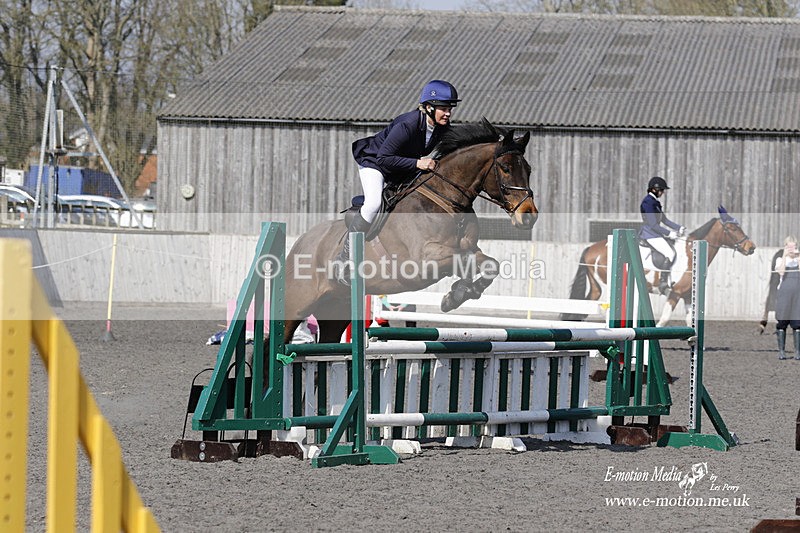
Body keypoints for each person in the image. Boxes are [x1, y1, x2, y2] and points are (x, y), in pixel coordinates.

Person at [334, 79, 460, 285]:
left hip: (401, 166)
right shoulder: (407, 124)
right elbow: (384, 158)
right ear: (428, 107)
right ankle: (344, 258)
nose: (448, 113)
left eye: (450, 109)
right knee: (374, 203)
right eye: (443, 108)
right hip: (375, 163)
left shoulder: (442, 128)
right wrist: (419, 163)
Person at [638, 176, 685, 295]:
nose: (663, 192)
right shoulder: (647, 202)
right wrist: (669, 233)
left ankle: (669, 279)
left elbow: (664, 220)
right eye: (662, 190)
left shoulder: (656, 202)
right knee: (670, 253)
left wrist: (678, 227)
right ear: (654, 189)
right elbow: (653, 224)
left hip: (656, 233)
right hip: (650, 234)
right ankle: (663, 282)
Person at [775, 236, 800, 360]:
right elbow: (781, 273)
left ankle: (797, 352)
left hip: (797, 295)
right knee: (782, 322)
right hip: (784, 294)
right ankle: (781, 351)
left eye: (793, 246)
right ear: (785, 247)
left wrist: (798, 257)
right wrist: (785, 256)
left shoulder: (798, 260)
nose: (791, 249)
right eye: (789, 246)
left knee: (797, 323)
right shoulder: (780, 260)